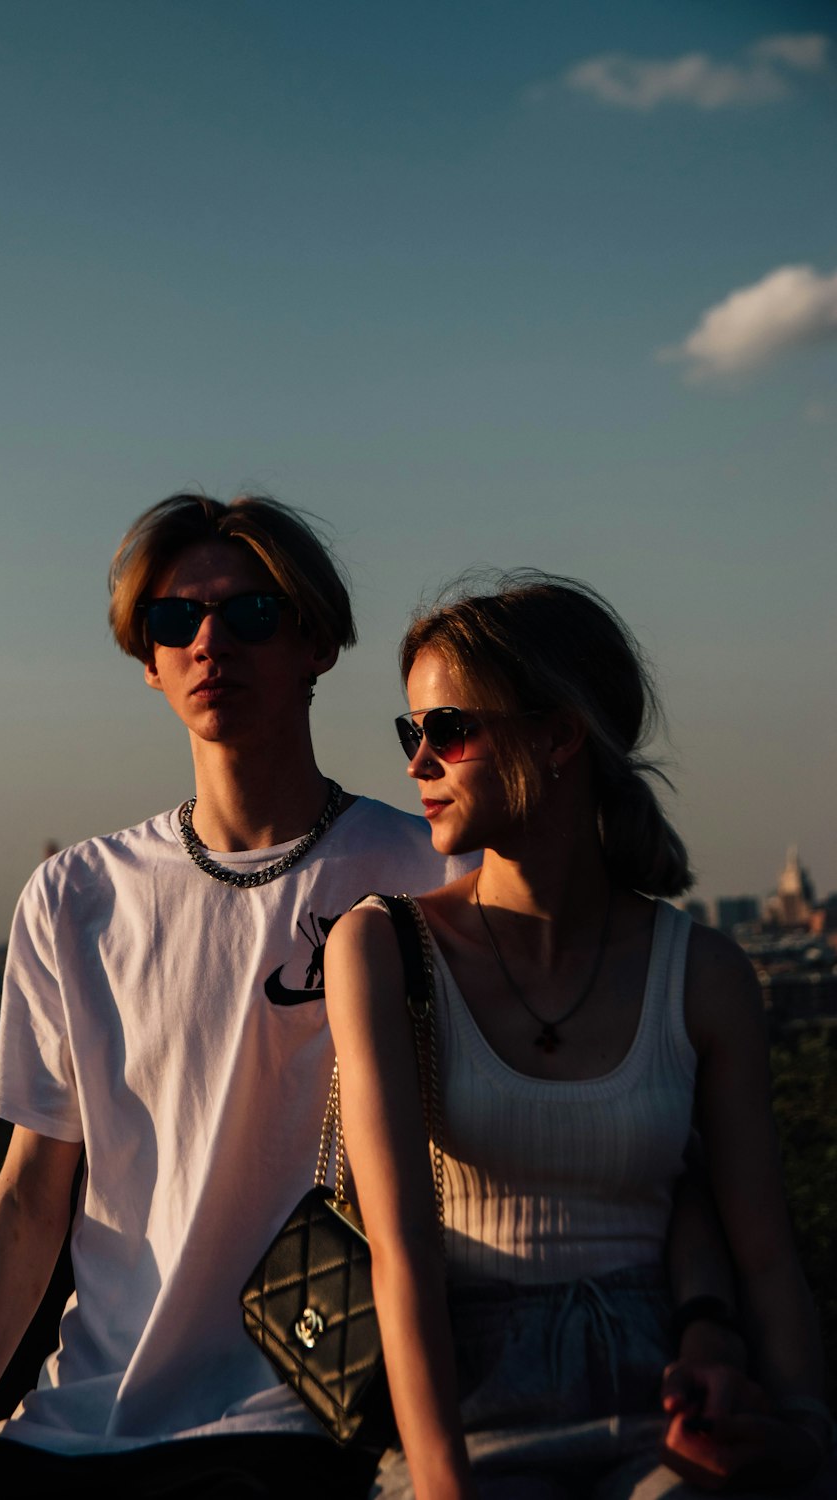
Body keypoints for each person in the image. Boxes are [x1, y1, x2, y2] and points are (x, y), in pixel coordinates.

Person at [0, 494, 476, 1500]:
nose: (208, 642)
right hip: (77, 1423)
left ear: (316, 639)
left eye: (250, 614)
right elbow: (29, 1194)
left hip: (314, 1411)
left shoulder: (432, 872)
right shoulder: (75, 896)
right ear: (146, 660)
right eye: (174, 622)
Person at [323, 571, 833, 1500]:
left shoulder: (705, 974)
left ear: (557, 736)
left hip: (668, 1399)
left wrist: (805, 1433)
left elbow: (764, 1250)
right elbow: (401, 1250)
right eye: (413, 733)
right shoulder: (383, 950)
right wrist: (442, 1484)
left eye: (447, 730)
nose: (415, 765)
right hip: (471, 1407)